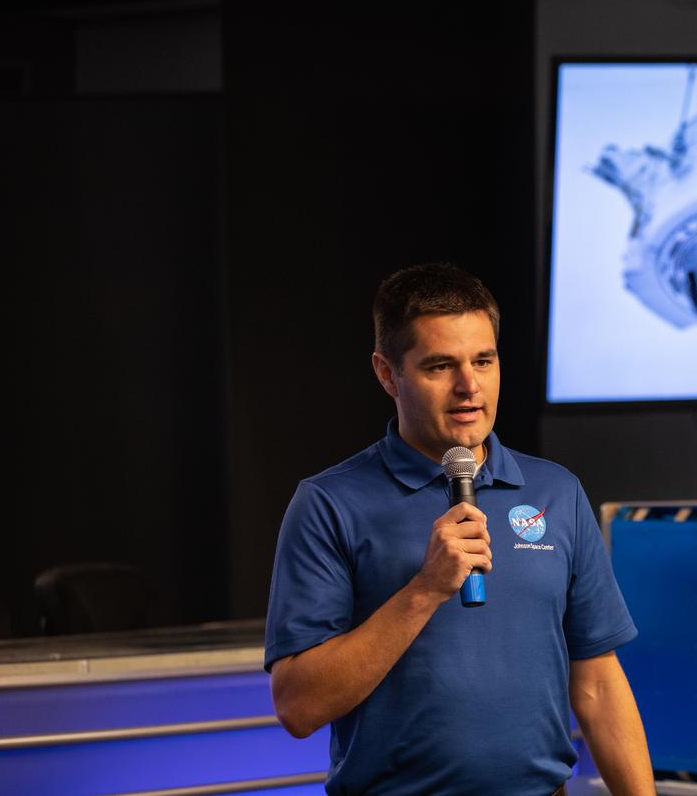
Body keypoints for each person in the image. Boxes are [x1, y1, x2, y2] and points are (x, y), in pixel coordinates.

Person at [264, 263, 654, 795]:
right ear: (386, 373)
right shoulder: (330, 503)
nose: (469, 386)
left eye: (484, 361)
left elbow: (599, 683)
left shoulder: (556, 492)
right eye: (440, 366)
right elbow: (298, 706)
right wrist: (425, 590)